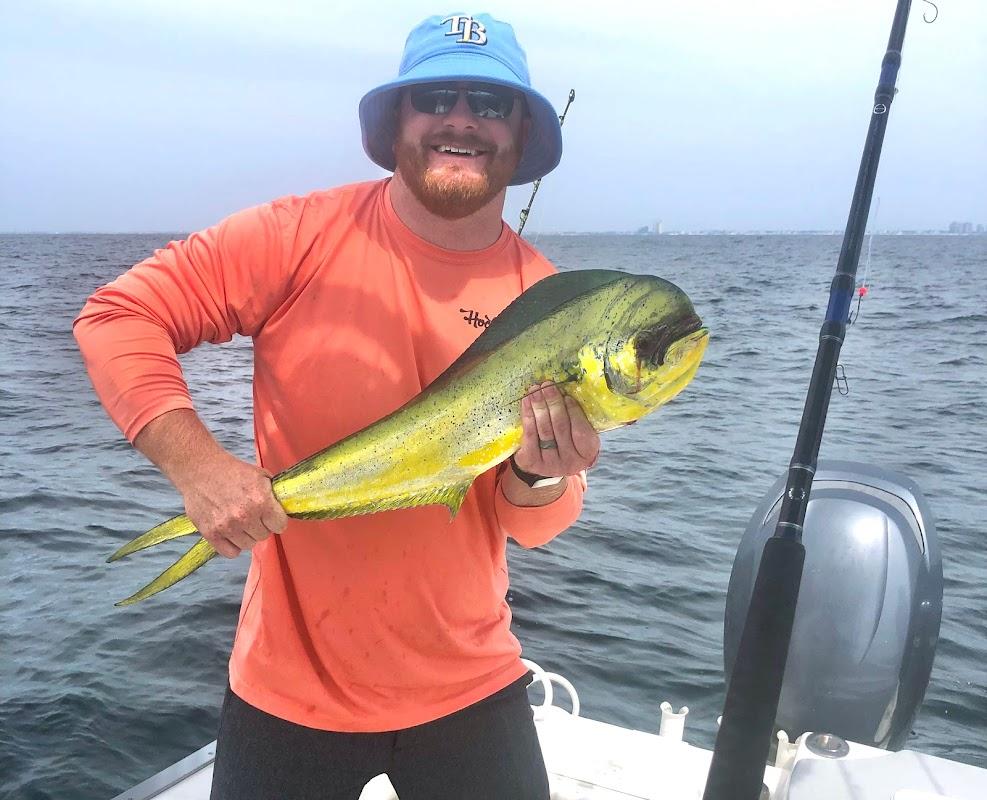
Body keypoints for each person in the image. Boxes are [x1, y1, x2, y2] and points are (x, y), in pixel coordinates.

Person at [74, 12, 599, 800]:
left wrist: (543, 476)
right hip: (288, 691)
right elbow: (117, 317)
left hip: (471, 686)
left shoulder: (549, 300)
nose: (461, 118)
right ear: (397, 124)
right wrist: (200, 467)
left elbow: (532, 525)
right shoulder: (296, 236)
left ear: (520, 134)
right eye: (435, 96)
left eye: (489, 103)